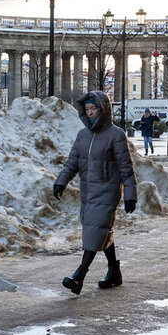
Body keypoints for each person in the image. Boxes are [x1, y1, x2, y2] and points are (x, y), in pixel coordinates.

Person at [53, 91, 137, 295]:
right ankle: (114, 272)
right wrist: (61, 181)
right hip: (88, 191)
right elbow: (73, 162)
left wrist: (130, 194)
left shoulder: (116, 134)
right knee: (100, 230)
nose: (90, 113)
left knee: (95, 231)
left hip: (108, 190)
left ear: (104, 110)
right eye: (87, 109)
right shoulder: (83, 135)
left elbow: (126, 167)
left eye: (94, 109)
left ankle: (79, 276)